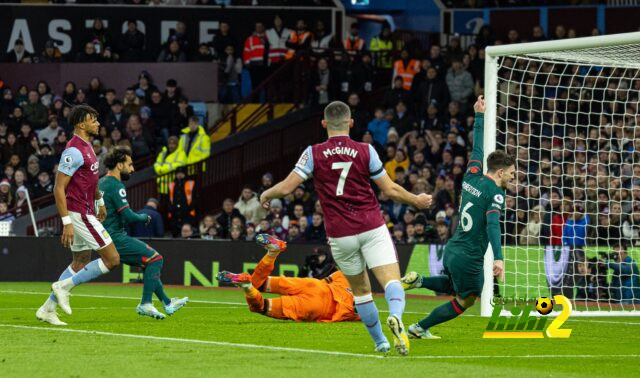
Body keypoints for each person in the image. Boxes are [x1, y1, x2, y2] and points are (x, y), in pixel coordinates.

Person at [259, 101, 432, 355]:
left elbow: (286, 188)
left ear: (324, 124)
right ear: (351, 123)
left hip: (340, 235)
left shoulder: (313, 153)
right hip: (371, 226)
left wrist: (267, 193)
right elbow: (390, 189)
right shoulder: (366, 150)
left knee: (361, 293)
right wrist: (417, 200)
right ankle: (396, 318)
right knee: (392, 282)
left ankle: (380, 342)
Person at [402, 96, 513, 339]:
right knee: (466, 300)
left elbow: (477, 149)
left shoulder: (472, 174)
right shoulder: (495, 194)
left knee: (453, 286)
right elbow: (493, 224)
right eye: (512, 173)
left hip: (453, 247)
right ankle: (419, 328)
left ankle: (420, 280)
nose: (513, 178)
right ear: (501, 172)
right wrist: (499, 258)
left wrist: (480, 116)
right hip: (470, 256)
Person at [36, 105, 120, 326]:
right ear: (81, 124)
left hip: (88, 209)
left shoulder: (88, 146)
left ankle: (47, 309)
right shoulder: (73, 151)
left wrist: (100, 201)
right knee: (112, 260)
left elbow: (91, 181)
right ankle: (63, 287)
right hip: (79, 213)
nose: (98, 123)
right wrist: (67, 223)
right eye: (93, 120)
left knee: (81, 261)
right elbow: (58, 188)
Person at [99, 146, 188, 318]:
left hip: (104, 236)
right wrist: (144, 217)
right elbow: (128, 215)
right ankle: (146, 303)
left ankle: (167, 303)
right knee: (156, 259)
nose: (132, 169)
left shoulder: (101, 182)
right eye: (130, 165)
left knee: (149, 262)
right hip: (115, 237)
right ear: (119, 165)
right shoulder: (116, 185)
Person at [217, 234, 359, 323]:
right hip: (318, 307)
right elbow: (367, 316)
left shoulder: (346, 276)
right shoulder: (364, 306)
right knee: (260, 307)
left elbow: (327, 279)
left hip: (313, 285)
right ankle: (246, 286)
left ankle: (273, 252)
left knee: (258, 283)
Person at [168, 167, 196, 237]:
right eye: (178, 174)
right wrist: (171, 208)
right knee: (175, 233)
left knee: (187, 233)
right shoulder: (172, 184)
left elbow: (195, 198)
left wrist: (189, 208)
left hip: (187, 213)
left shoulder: (191, 183)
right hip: (175, 214)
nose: (179, 175)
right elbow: (168, 199)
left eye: (181, 173)